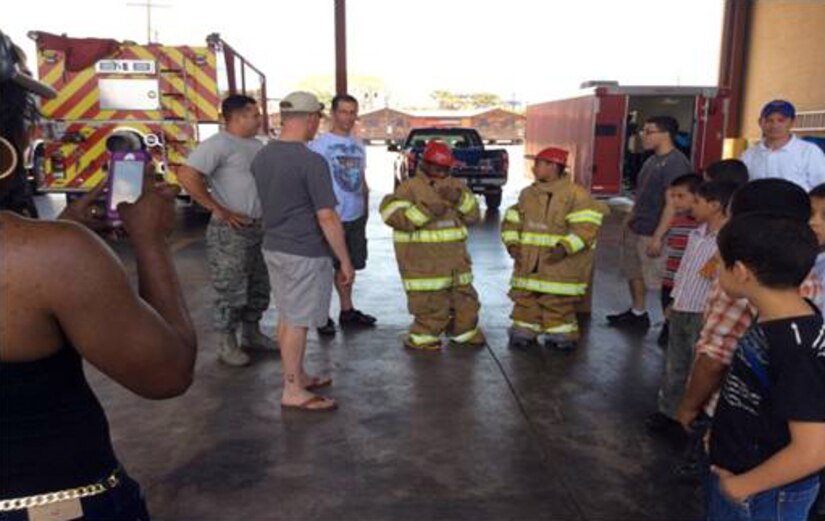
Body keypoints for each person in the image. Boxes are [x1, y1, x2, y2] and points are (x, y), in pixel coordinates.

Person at [0, 29, 196, 519]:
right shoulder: (52, 257)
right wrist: (151, 241)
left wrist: (58, 232)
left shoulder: (45, 251)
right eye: (25, 120)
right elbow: (167, 373)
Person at [676, 179, 823, 432]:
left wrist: (688, 407)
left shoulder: (741, 285)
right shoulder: (806, 277)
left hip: (728, 416)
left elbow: (714, 359)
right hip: (774, 422)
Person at [707, 214, 825, 521]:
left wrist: (741, 486)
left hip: (765, 496)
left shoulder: (797, 348)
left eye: (720, 263)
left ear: (742, 271)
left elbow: (814, 449)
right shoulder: (775, 317)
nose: (716, 270)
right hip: (744, 476)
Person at [252, 91, 353, 412]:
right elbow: (327, 216)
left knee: (287, 315)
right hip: (303, 252)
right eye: (318, 119)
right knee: (297, 321)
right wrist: (345, 260)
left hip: (274, 247)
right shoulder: (310, 161)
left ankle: (297, 375)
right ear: (310, 119)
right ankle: (293, 390)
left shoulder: (263, 157)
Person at [178, 94, 273, 368]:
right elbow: (186, 174)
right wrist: (217, 208)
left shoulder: (256, 145)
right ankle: (226, 342)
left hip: (258, 227)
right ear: (238, 116)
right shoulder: (219, 144)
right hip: (231, 230)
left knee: (258, 285)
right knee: (230, 287)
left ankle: (252, 334)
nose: (259, 119)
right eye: (254, 115)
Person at [646, 181, 737, 439]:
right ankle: (668, 411)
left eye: (696, 202)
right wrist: (674, 301)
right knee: (675, 363)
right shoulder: (695, 235)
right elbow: (684, 273)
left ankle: (689, 418)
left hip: (703, 314)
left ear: (715, 205)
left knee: (696, 368)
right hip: (683, 307)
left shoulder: (726, 242)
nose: (688, 206)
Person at [380, 140, 486, 351]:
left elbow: (474, 216)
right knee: (430, 306)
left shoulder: (457, 186)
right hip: (424, 266)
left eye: (445, 169)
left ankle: (464, 333)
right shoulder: (409, 188)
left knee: (466, 301)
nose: (442, 173)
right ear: (425, 164)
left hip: (457, 264)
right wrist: (428, 210)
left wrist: (460, 200)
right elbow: (393, 217)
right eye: (437, 168)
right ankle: (423, 338)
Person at [501, 147, 606, 352]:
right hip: (529, 264)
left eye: (539, 163)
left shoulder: (576, 195)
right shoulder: (528, 194)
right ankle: (525, 331)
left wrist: (564, 248)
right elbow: (512, 221)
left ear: (552, 166)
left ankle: (562, 335)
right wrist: (512, 244)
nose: (534, 167)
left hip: (561, 267)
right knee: (525, 300)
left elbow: (586, 228)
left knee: (557, 303)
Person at [608, 116, 693, 330]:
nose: (643, 136)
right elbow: (641, 194)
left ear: (665, 134)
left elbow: (672, 204)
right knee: (633, 271)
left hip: (654, 231)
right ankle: (638, 313)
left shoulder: (676, 163)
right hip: (638, 226)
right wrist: (629, 220)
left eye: (649, 131)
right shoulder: (650, 160)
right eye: (644, 131)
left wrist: (658, 236)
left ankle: (670, 323)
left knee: (661, 280)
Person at [308, 93, 376, 336]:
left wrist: (365, 209)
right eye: (344, 112)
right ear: (334, 114)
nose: (348, 117)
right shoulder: (318, 146)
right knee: (325, 269)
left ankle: (347, 311)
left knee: (349, 267)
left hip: (355, 216)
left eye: (352, 112)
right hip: (330, 217)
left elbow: (361, 180)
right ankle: (321, 316)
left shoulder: (358, 144)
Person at [740, 99, 825, 191]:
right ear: (760, 122)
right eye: (769, 120)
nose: (774, 125)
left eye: (781, 120)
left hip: (796, 205)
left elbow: (821, 190)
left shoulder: (809, 152)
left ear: (792, 122)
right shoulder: (748, 155)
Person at [658, 173, 703, 347]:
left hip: (689, 284)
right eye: (673, 196)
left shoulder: (702, 226)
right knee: (667, 310)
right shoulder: (676, 220)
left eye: (681, 196)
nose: (675, 201)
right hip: (670, 279)